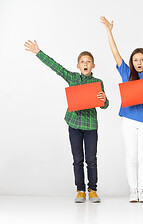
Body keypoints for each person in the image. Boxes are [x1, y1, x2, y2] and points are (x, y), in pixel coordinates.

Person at [24, 40, 109, 203]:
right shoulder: (72, 77)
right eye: (82, 61)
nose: (86, 64)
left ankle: (93, 190)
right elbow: (57, 68)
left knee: (91, 160)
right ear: (78, 66)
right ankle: (80, 191)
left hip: (91, 126)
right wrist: (38, 52)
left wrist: (104, 100)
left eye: (88, 61)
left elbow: (104, 105)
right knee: (77, 159)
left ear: (93, 66)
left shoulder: (98, 82)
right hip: (74, 125)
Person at [100, 16, 143, 203]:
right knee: (131, 156)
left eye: (142, 59)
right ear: (132, 62)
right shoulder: (126, 73)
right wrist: (109, 31)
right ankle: (132, 190)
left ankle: (141, 190)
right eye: (136, 60)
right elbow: (115, 53)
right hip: (128, 119)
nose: (139, 62)